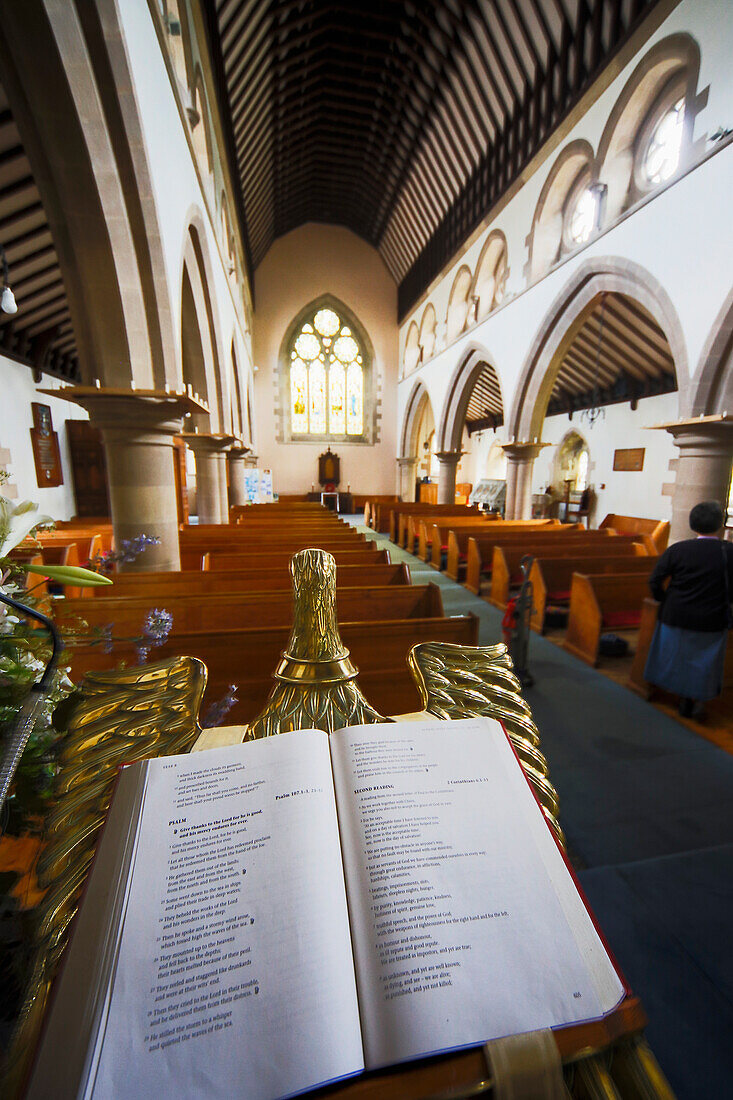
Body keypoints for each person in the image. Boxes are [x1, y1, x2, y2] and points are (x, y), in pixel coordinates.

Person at [644, 501, 733, 718]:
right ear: (721, 524)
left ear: (693, 525)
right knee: (704, 663)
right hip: (712, 618)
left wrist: (663, 600)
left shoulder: (678, 550)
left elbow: (655, 580)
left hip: (677, 614)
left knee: (673, 656)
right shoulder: (729, 552)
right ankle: (693, 699)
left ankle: (674, 694)